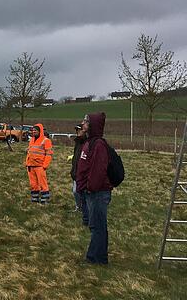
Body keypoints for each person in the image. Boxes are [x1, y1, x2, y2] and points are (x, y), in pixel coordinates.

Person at [76, 112, 112, 265]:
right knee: (95, 225)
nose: (83, 123)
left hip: (97, 193)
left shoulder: (98, 145)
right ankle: (98, 257)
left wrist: (90, 188)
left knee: (98, 226)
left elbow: (98, 171)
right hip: (91, 192)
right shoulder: (89, 142)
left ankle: (95, 258)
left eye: (86, 121)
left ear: (92, 125)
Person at [25, 123, 54, 204]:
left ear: (40, 131)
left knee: (42, 184)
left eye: (35, 130)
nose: (33, 132)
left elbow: (49, 154)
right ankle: (35, 199)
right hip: (30, 166)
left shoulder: (46, 140)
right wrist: (27, 162)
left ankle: (45, 200)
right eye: (33, 130)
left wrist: (45, 165)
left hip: (40, 166)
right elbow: (30, 151)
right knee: (33, 184)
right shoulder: (31, 140)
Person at [69, 123, 89, 224]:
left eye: (79, 130)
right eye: (76, 130)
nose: (77, 132)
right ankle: (79, 207)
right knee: (76, 191)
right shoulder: (77, 142)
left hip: (82, 173)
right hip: (76, 171)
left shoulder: (86, 142)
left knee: (77, 191)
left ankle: (83, 209)